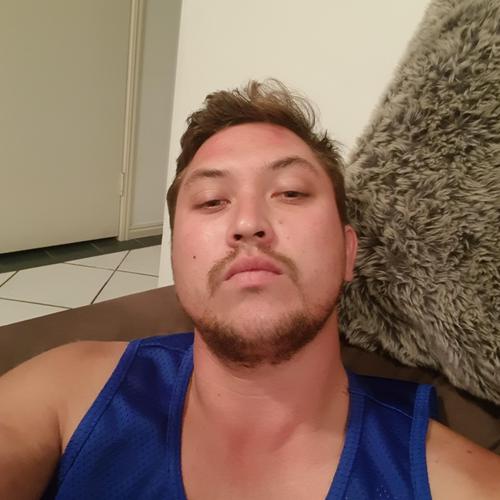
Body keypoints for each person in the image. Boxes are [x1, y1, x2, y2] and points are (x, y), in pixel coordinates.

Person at [1, 80, 499, 500]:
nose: (247, 222)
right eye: (212, 200)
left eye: (291, 192)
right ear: (176, 256)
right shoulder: (68, 391)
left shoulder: (457, 479)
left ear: (348, 253)